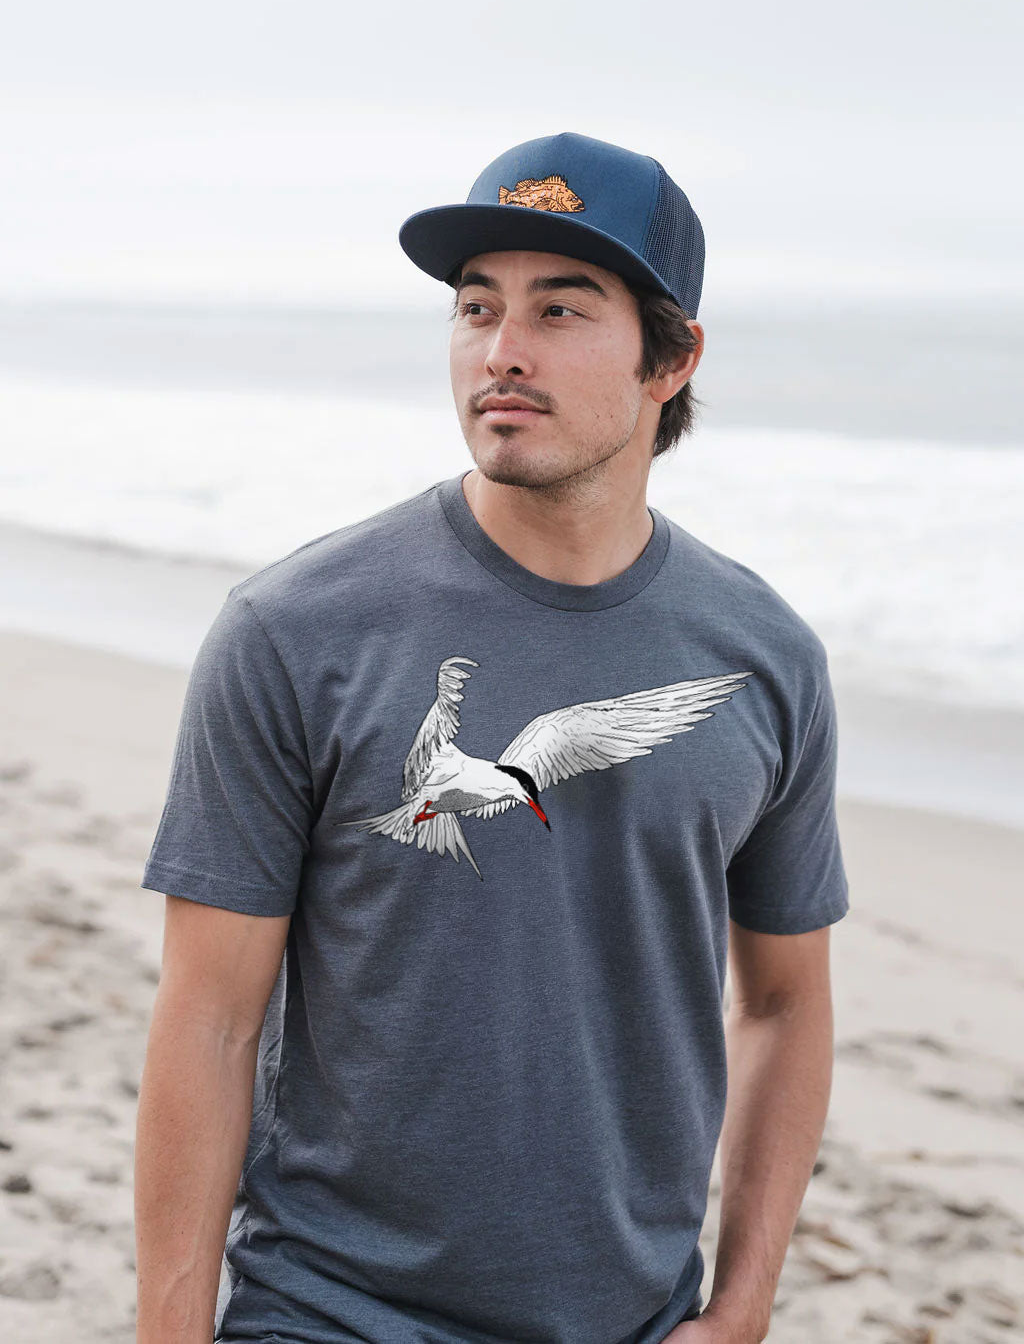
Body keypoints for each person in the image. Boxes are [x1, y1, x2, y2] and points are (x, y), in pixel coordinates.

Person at [134, 130, 850, 1344]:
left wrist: (741, 1307)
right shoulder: (294, 631)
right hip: (332, 1310)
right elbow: (208, 1017)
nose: (500, 351)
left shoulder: (764, 660)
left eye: (561, 309)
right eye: (477, 308)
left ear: (670, 357)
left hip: (634, 1317)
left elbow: (783, 1003)